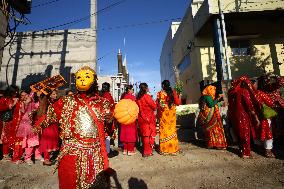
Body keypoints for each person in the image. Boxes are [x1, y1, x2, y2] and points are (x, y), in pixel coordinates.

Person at [35, 66, 112, 188]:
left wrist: (110, 121)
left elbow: (109, 130)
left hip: (95, 156)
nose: (82, 80)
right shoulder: (65, 101)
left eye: (87, 76)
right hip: (71, 155)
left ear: (94, 81)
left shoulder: (104, 102)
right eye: (79, 77)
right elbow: (43, 121)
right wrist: (43, 99)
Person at [228, 76, 260, 158]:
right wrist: (254, 116)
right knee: (245, 134)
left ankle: (241, 149)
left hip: (234, 115)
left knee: (238, 133)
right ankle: (246, 153)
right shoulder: (243, 91)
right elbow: (249, 105)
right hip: (243, 115)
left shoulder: (231, 92)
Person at [197, 85, 227, 149]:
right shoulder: (208, 97)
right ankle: (217, 144)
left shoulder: (203, 97)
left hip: (205, 115)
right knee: (215, 128)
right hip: (211, 115)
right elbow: (211, 104)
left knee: (209, 130)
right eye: (213, 90)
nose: (214, 91)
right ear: (209, 90)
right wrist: (218, 99)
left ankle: (210, 144)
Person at [16, 92, 42, 165]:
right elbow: (22, 111)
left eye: (26, 94)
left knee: (37, 139)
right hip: (25, 123)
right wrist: (26, 103)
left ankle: (37, 155)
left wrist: (39, 98)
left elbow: (38, 107)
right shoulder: (21, 102)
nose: (24, 96)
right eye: (22, 95)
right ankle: (28, 157)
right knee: (29, 141)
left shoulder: (34, 101)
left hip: (34, 122)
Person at [156, 80, 181, 155]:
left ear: (163, 85)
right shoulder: (173, 92)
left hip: (163, 115)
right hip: (171, 115)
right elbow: (178, 103)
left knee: (164, 131)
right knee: (172, 130)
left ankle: (164, 150)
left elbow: (158, 104)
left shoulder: (160, 94)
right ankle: (173, 149)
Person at [38, 90, 59, 166]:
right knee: (48, 141)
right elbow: (42, 113)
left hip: (54, 124)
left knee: (53, 140)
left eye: (56, 94)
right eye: (53, 94)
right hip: (48, 124)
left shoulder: (56, 102)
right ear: (49, 95)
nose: (55, 95)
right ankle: (46, 159)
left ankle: (48, 157)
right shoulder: (46, 102)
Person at [136, 83, 156, 157]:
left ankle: (146, 150)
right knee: (149, 135)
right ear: (146, 88)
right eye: (147, 87)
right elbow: (154, 107)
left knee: (144, 135)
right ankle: (147, 151)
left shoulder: (138, 98)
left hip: (141, 119)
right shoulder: (147, 96)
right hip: (149, 119)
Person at [119, 84, 138, 156]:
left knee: (124, 133)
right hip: (130, 117)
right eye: (132, 89)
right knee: (131, 133)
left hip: (123, 118)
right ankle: (130, 150)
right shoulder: (132, 97)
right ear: (129, 90)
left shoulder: (123, 97)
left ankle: (125, 149)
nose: (133, 90)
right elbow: (136, 107)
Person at [100, 82, 116, 157]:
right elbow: (111, 106)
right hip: (107, 117)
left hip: (100, 117)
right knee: (107, 134)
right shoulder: (108, 95)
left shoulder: (99, 95)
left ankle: (103, 151)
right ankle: (107, 151)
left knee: (102, 134)